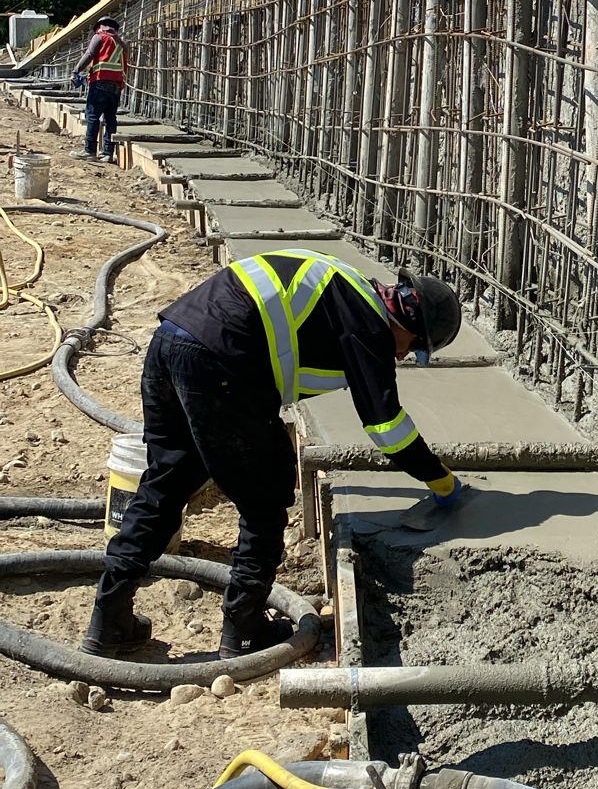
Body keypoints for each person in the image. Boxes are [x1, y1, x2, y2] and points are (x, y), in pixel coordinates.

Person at [81, 250, 467, 657]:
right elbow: (386, 425)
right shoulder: (369, 322)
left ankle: (108, 618)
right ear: (408, 322)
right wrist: (441, 480)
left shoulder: (346, 285)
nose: (404, 356)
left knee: (167, 481)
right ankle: (244, 625)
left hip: (171, 340)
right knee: (265, 496)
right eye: (415, 348)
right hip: (221, 360)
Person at [71, 16, 128, 163]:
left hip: (100, 82)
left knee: (92, 115)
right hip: (116, 86)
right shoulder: (121, 44)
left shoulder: (100, 36)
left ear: (100, 26)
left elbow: (90, 54)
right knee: (110, 119)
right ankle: (108, 153)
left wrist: (76, 71)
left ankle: (89, 151)